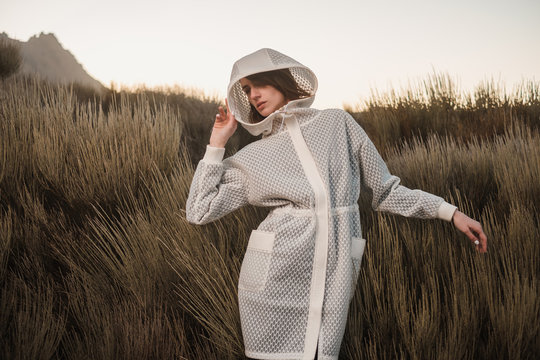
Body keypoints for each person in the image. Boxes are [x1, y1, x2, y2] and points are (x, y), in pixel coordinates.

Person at [185, 48, 488, 360]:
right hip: (272, 283)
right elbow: (199, 210)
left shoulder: (336, 123)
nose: (254, 96)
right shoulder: (253, 157)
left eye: (258, 84)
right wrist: (217, 143)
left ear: (279, 79)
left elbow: (385, 191)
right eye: (246, 91)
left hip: (336, 270)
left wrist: (450, 213)